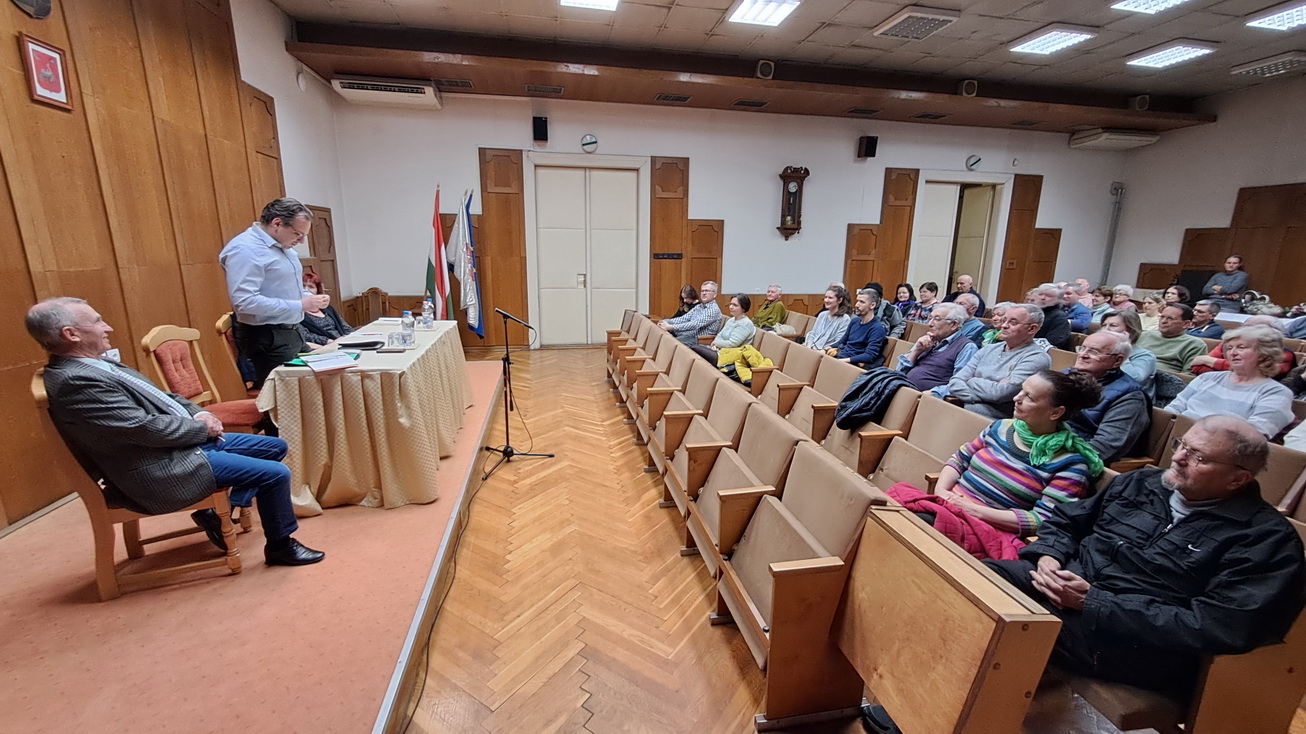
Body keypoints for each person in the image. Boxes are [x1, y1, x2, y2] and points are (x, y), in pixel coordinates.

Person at [983, 416, 1306, 702]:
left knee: (1008, 625)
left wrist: (1093, 602)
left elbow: (1215, 626)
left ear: (1238, 479)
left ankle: (983, 709)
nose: (1178, 458)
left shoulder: (1265, 540)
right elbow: (1067, 521)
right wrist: (1048, 556)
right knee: (974, 580)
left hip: (1132, 641)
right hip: (1063, 585)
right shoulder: (1141, 483)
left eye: (1198, 457)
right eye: (1182, 445)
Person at [26, 298, 325, 566]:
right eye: (97, 321)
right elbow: (141, 428)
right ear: (71, 334)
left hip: (175, 447)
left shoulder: (94, 364)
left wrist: (200, 413)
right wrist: (200, 429)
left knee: (274, 447)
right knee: (274, 474)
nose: (108, 328)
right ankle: (280, 546)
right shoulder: (76, 381)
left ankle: (224, 510)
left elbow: (163, 397)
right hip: (157, 466)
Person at [906, 370, 1102, 544]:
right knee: (897, 512)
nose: (1017, 398)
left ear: (1056, 412)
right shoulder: (1001, 427)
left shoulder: (1071, 463)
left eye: (1029, 397)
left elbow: (1043, 519)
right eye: (1021, 390)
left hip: (987, 531)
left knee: (911, 528)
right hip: (946, 505)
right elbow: (960, 459)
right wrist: (941, 490)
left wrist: (975, 511)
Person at [219, 198, 327, 388]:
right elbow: (244, 302)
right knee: (286, 398)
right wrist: (300, 305)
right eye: (298, 234)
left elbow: (283, 287)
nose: (301, 241)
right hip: (267, 337)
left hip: (293, 332)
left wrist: (309, 298)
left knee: (312, 389)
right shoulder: (246, 249)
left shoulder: (283, 247)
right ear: (277, 223)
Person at [1166, 325, 1295, 439]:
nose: (1232, 353)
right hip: (1176, 437)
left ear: (1264, 354)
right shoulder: (1207, 378)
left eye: (1241, 347)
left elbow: (1253, 437)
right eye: (1229, 348)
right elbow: (1173, 409)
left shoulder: (1276, 393)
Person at [934, 303, 1052, 419]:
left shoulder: (1036, 358)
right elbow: (955, 382)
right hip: (961, 411)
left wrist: (971, 380)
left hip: (994, 422)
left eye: (1012, 322)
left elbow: (1000, 393)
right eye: (1004, 320)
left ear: (1032, 328)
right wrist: (981, 393)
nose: (1004, 326)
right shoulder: (989, 349)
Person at [1064, 331, 1150, 465]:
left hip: (1075, 461)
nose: (1083, 355)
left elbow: (1104, 448)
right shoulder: (1065, 375)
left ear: (1117, 361)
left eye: (1094, 352)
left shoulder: (1130, 397)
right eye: (1082, 348)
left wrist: (1057, 457)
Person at [895, 302, 978, 391]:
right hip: (902, 389)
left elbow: (959, 385)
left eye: (937, 319)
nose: (930, 324)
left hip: (925, 396)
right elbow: (898, 372)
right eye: (930, 318)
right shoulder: (926, 340)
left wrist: (932, 394)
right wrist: (916, 352)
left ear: (954, 324)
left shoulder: (967, 348)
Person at [1191, 315, 1297, 377]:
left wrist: (1211, 362)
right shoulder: (1228, 345)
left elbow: (1258, 372)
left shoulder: (1284, 354)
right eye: (1244, 327)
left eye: (1255, 329)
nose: (1245, 332)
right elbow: (1197, 367)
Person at [1101, 309, 1158, 397]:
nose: (1106, 329)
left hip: (1130, 399)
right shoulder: (1100, 350)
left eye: (1113, 325)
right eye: (1104, 325)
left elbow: (1134, 378)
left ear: (1130, 330)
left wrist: (1123, 349)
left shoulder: (1146, 356)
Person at [1137, 304, 1207, 374]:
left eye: (1170, 318)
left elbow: (1189, 375)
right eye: (1162, 317)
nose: (1163, 321)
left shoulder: (1194, 345)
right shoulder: (1145, 335)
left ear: (1186, 324)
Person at [831, 289, 888, 369]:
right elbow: (841, 342)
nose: (857, 305)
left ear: (872, 305)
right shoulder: (854, 321)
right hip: (840, 359)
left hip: (852, 366)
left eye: (862, 302)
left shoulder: (877, 328)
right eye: (857, 301)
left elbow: (870, 355)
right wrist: (826, 349)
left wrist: (844, 360)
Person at [692, 294, 756, 364]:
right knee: (691, 347)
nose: (731, 307)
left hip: (731, 356)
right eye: (730, 304)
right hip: (720, 350)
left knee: (694, 348)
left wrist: (716, 343)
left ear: (743, 308)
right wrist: (715, 346)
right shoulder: (731, 320)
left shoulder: (745, 324)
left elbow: (732, 344)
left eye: (735, 305)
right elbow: (720, 335)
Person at [297, 272, 353, 349]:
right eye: (303, 286)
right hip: (324, 346)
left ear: (317, 290)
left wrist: (350, 337)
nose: (306, 290)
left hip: (343, 342)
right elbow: (306, 335)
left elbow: (344, 326)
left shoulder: (327, 308)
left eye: (311, 287)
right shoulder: (298, 312)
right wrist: (329, 341)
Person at [658, 281, 722, 347]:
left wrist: (672, 327)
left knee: (670, 342)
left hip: (699, 339)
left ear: (715, 294)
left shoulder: (713, 310)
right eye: (702, 291)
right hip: (689, 334)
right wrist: (666, 321)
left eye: (707, 291)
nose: (704, 293)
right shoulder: (699, 306)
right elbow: (684, 318)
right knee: (663, 333)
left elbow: (695, 324)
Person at [803, 286, 853, 352]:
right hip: (812, 348)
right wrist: (809, 346)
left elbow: (838, 341)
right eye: (825, 297)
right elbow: (813, 333)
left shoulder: (845, 319)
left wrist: (823, 350)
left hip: (825, 351)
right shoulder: (822, 315)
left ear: (840, 300)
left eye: (830, 298)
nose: (826, 300)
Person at [1030, 283, 1072, 351]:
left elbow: (1054, 342)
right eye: (1040, 294)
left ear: (1059, 299)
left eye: (1049, 296)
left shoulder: (1059, 317)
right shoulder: (1031, 312)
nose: (1043, 298)